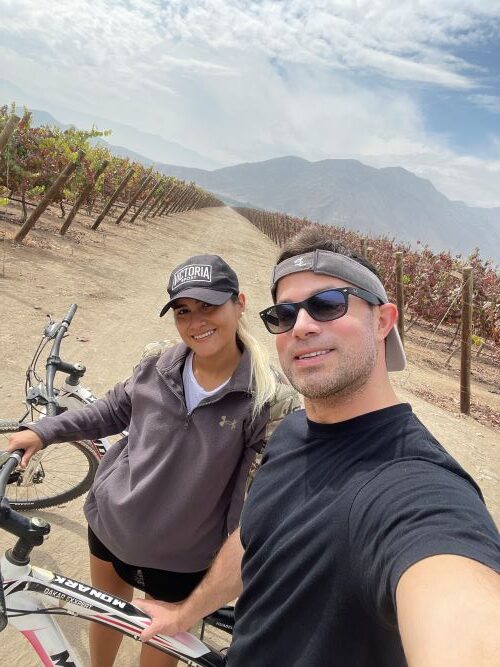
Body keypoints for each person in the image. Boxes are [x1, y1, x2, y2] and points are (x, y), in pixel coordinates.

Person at [136, 229, 500, 666]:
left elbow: (458, 604)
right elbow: (256, 537)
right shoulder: (291, 431)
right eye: (284, 315)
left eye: (329, 304)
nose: (302, 326)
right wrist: (186, 611)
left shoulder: (418, 489)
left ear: (383, 321)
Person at [6, 253, 299, 667]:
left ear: (240, 303)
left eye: (209, 306)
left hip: (181, 559)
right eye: (183, 311)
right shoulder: (157, 361)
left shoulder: (269, 397)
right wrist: (44, 430)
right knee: (105, 614)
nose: (196, 322)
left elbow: (254, 503)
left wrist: (225, 569)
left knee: (160, 642)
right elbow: (110, 410)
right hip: (111, 525)